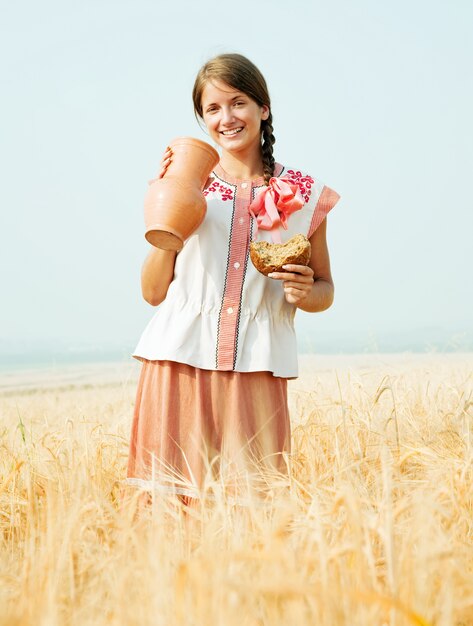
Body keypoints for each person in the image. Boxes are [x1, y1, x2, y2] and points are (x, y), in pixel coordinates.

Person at [126, 53, 340, 504]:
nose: (227, 118)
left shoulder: (304, 195)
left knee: (254, 516)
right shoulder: (188, 186)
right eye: (213, 109)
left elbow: (324, 290)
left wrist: (306, 292)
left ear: (263, 108)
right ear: (202, 120)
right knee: (169, 514)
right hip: (176, 365)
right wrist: (169, 211)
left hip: (258, 369)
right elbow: (151, 293)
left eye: (238, 102)